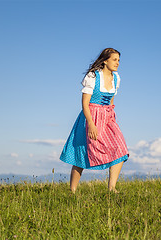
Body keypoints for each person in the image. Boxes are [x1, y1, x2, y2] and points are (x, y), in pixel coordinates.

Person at [60, 48, 129, 193]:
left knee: (120, 148)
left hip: (108, 117)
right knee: (82, 153)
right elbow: (85, 103)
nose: (117, 63)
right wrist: (90, 123)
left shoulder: (116, 78)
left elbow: (111, 101)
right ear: (105, 60)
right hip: (90, 116)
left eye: (118, 60)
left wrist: (112, 117)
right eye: (114, 60)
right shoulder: (93, 76)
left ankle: (112, 188)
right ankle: (72, 191)